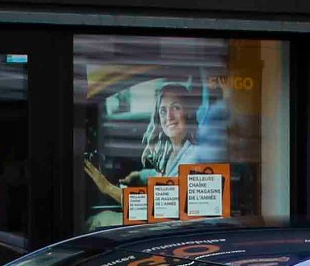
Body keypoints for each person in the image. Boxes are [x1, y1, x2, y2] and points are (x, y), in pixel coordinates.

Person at [82, 80, 212, 207]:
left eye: (176, 107)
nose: (169, 117)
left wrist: (107, 188)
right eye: (163, 111)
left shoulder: (194, 158)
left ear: (188, 113)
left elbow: (161, 206)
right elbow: (164, 177)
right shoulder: (175, 151)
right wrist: (140, 176)